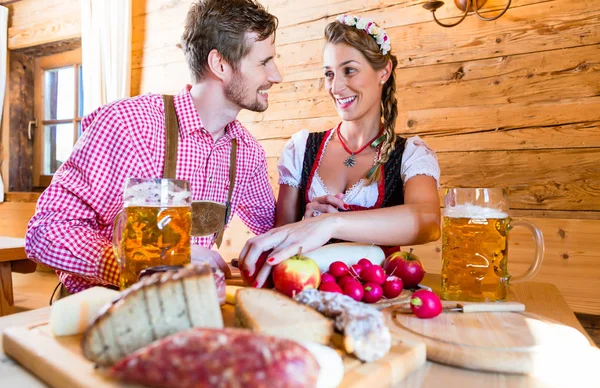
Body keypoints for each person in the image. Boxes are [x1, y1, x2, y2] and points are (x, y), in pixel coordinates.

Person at [25, 0, 282, 294]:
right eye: (264, 62)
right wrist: (150, 261)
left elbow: (271, 231)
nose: (276, 75)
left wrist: (313, 214)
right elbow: (45, 232)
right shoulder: (129, 125)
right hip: (101, 309)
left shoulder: (247, 151)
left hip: (179, 310)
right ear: (219, 64)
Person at [240, 15, 441, 287]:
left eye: (349, 70)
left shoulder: (411, 155)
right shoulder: (302, 149)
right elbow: (279, 241)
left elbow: (428, 221)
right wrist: (305, 221)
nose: (335, 87)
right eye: (329, 74)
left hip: (381, 303)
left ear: (384, 71)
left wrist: (331, 224)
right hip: (307, 296)